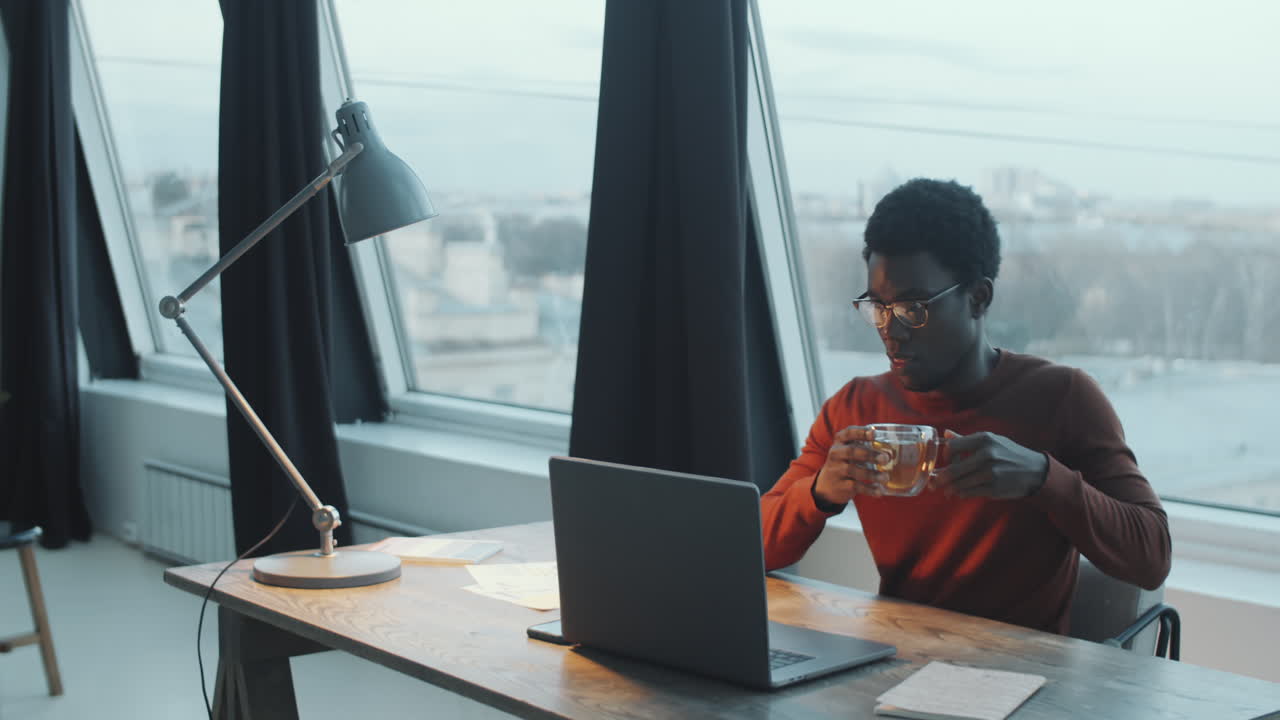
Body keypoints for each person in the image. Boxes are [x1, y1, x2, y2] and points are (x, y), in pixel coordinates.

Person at [760, 178, 1171, 634]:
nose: (889, 330)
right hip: (893, 661)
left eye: (912, 308)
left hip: (1022, 676)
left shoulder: (1062, 398)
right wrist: (819, 492)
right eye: (877, 306)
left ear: (978, 298)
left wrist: (1042, 477)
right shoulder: (855, 408)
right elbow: (753, 548)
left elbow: (1151, 557)